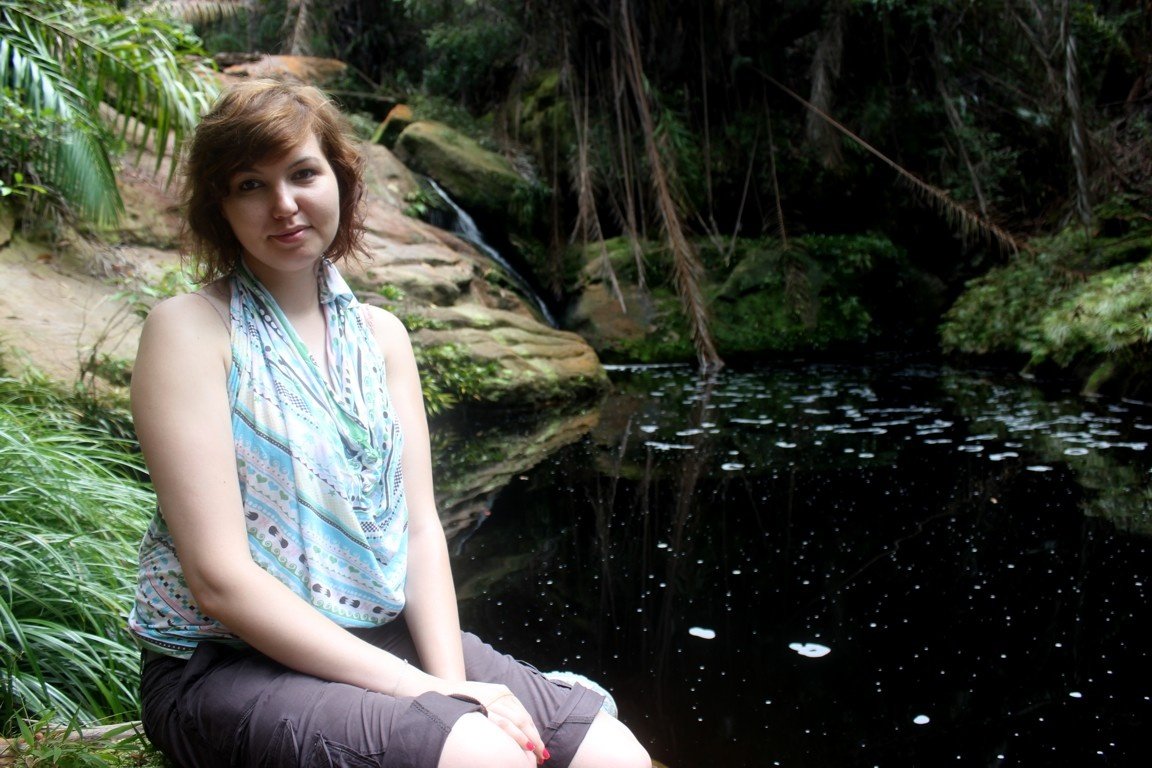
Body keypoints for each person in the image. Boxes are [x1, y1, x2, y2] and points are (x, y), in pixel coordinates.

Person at [127, 78, 651, 768]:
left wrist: (454, 688)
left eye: (303, 174)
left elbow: (420, 528)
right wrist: (428, 696)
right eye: (249, 184)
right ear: (220, 206)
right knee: (479, 757)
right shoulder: (190, 331)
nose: (283, 204)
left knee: (611, 753)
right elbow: (219, 580)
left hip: (379, 631)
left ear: (340, 180)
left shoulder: (381, 338)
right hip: (222, 664)